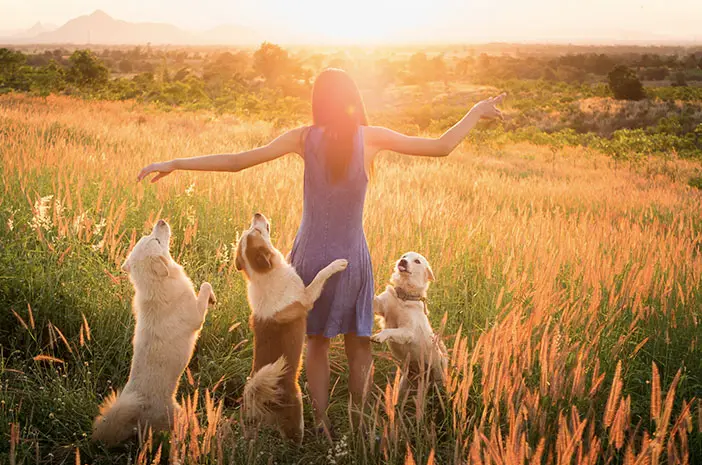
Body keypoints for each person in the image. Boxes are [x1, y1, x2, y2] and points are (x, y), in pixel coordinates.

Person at [137, 68, 505, 435]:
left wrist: (175, 163)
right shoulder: (370, 137)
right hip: (352, 255)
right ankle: (359, 426)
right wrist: (475, 111)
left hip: (310, 255)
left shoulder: (302, 137)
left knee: (316, 343)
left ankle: (322, 425)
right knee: (359, 343)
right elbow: (440, 146)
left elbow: (237, 161)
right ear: (352, 100)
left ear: (317, 102)